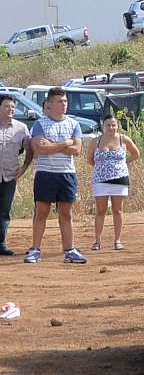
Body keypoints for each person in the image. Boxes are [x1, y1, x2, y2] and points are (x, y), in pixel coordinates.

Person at [25, 87, 86, 264]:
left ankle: (69, 250)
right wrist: (66, 143)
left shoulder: (74, 124)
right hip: (45, 173)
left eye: (65, 101)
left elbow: (77, 150)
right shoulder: (40, 124)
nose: (64, 104)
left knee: (66, 213)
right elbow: (39, 149)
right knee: (41, 212)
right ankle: (35, 250)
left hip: (66, 174)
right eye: (60, 101)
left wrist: (55, 145)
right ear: (49, 105)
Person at [87, 114, 141, 250]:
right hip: (100, 180)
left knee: (118, 210)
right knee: (101, 210)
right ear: (103, 126)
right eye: (108, 125)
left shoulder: (124, 139)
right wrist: (102, 168)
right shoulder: (96, 141)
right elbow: (89, 159)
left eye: (113, 125)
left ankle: (117, 240)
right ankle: (97, 241)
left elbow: (136, 154)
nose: (111, 127)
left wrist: (123, 163)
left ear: (117, 126)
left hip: (120, 178)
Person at [0, 94, 33, 256]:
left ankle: (1, 244)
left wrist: (24, 167)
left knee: (5, 211)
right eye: (7, 106)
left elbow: (29, 149)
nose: (11, 109)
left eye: (13, 107)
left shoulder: (21, 128)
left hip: (10, 175)